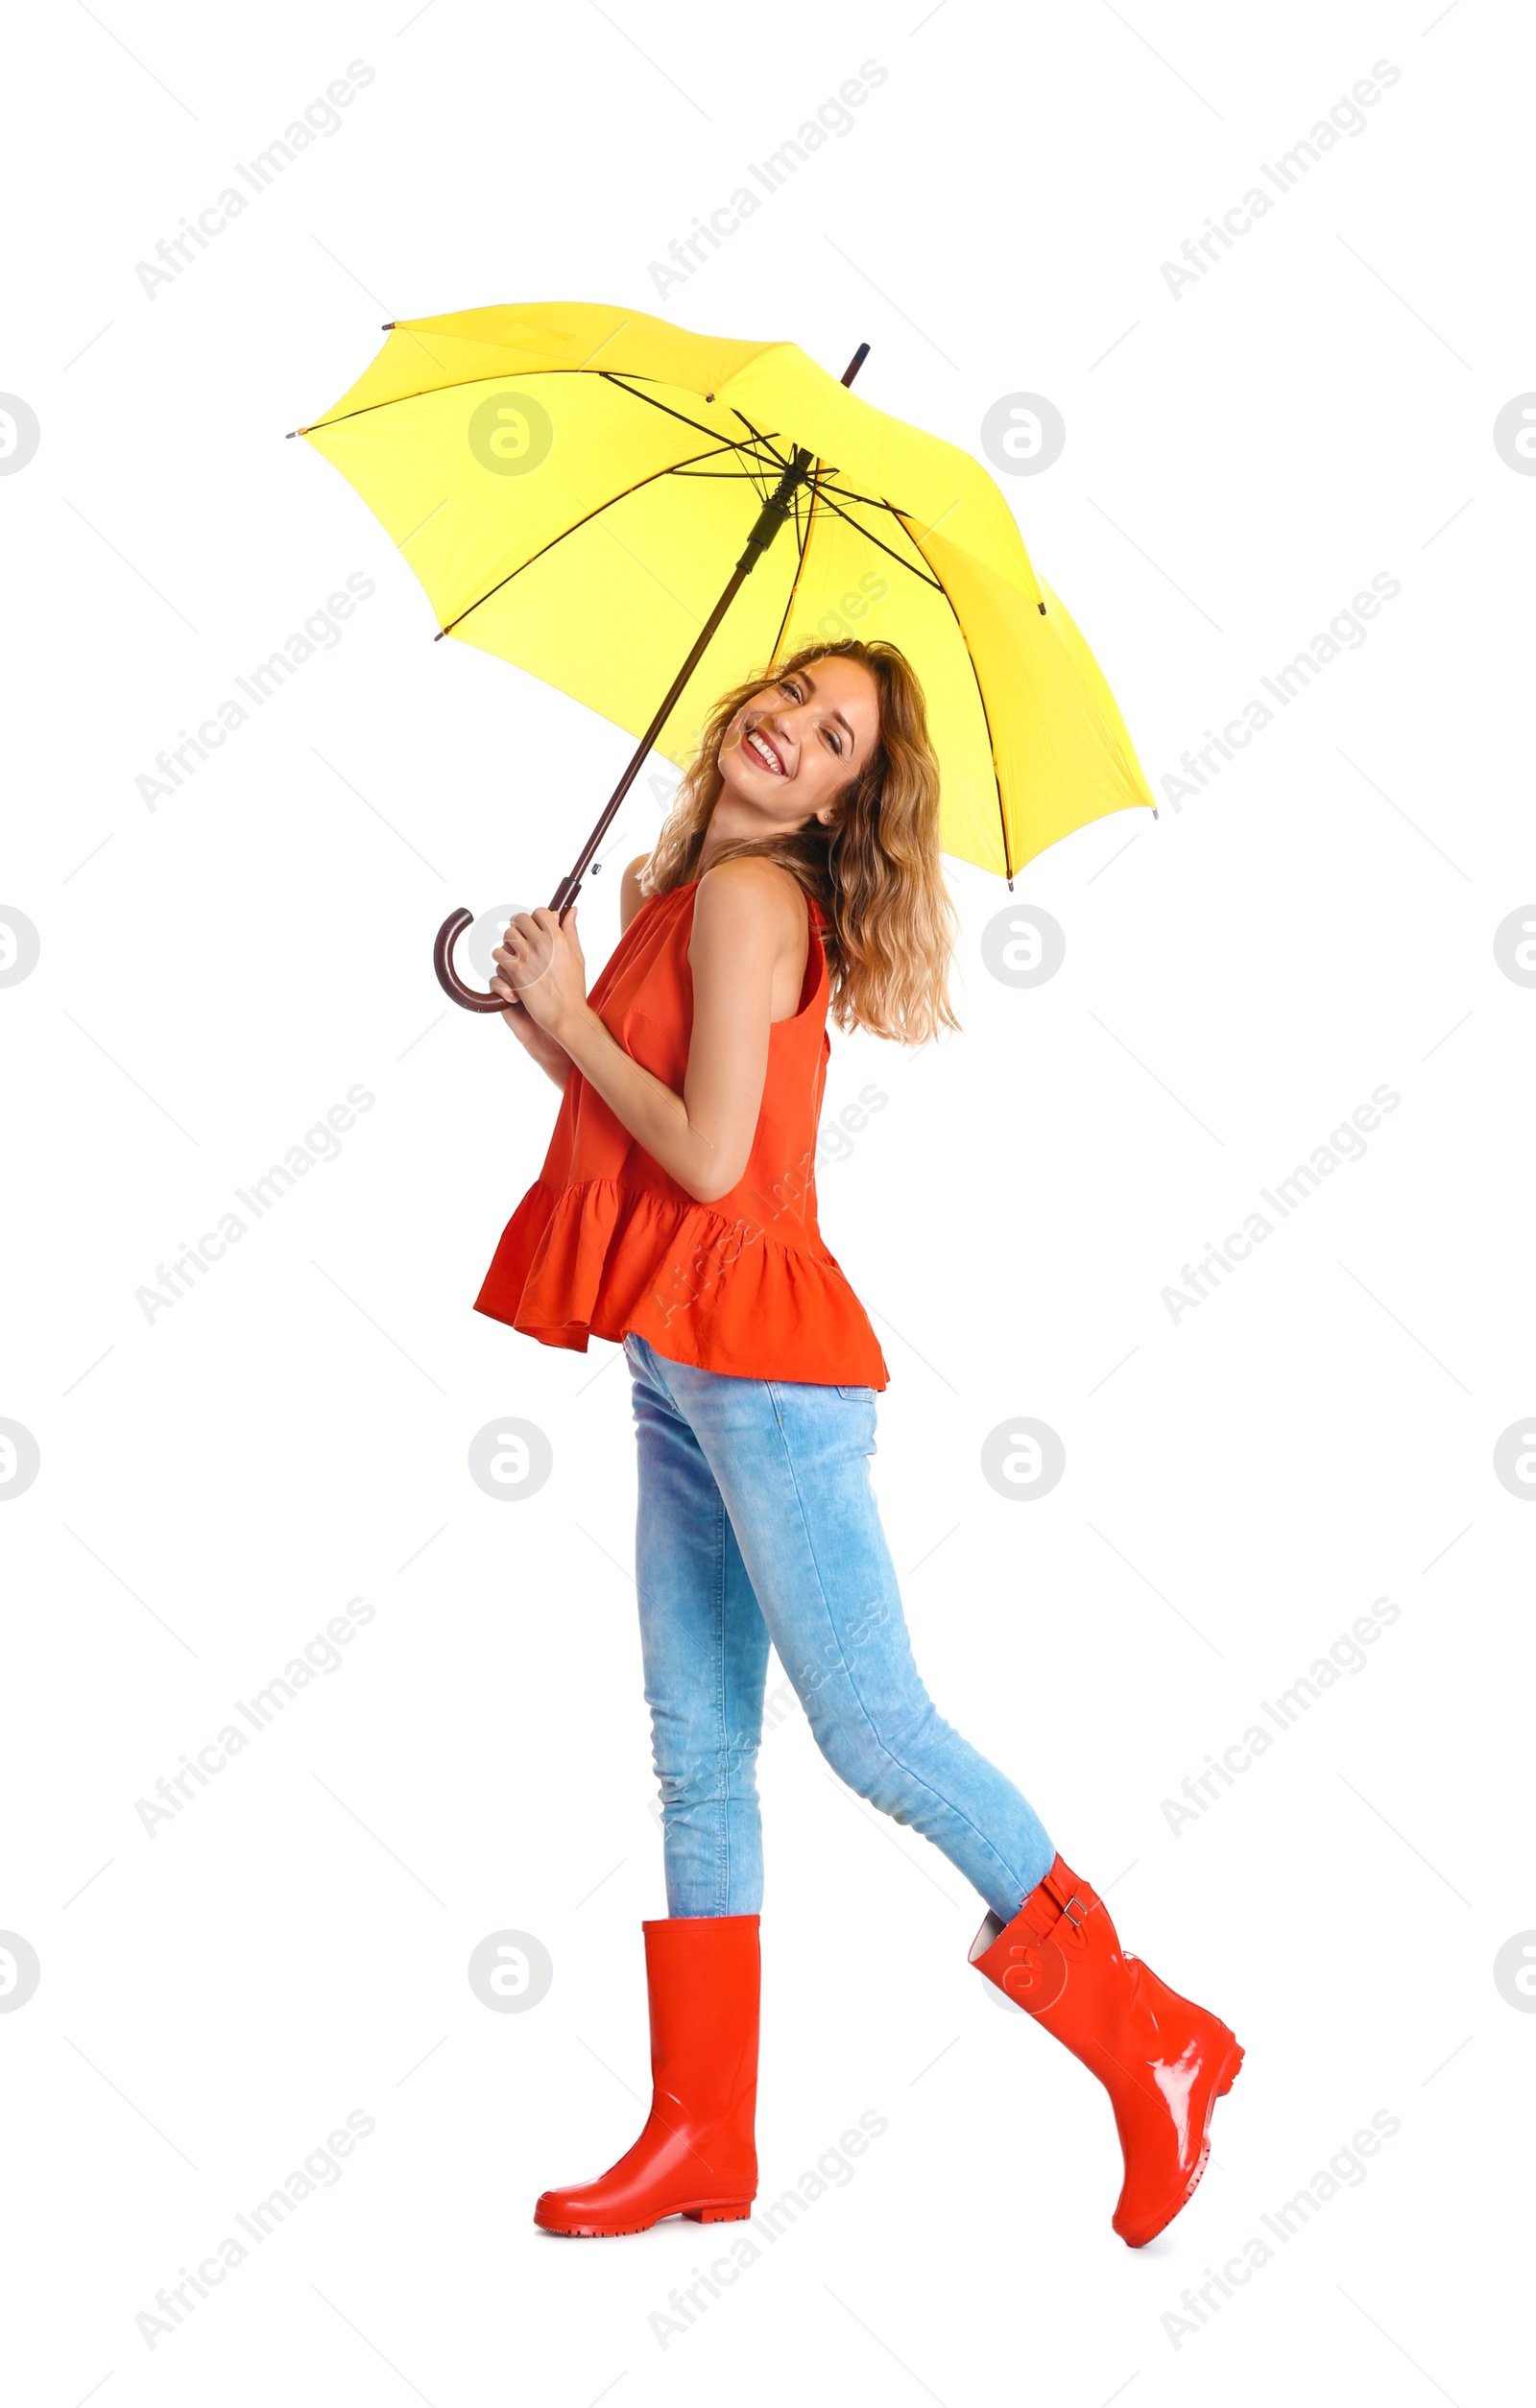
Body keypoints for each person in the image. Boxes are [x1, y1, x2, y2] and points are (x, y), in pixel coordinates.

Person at [476, 637, 1241, 2248]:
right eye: (792, 696)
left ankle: (1151, 2033)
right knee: (697, 1751)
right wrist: (543, 1013)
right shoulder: (682, 888)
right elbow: (637, 1106)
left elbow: (699, 1159)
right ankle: (701, 2138)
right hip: (678, 1368)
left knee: (875, 1730)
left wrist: (573, 1013)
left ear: (840, 800)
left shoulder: (757, 902)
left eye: (831, 738)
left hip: (763, 1374)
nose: (790, 730)